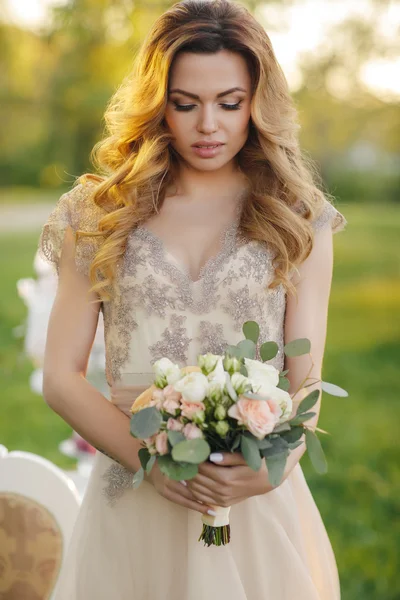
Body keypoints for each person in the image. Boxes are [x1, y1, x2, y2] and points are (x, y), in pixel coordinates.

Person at [38, 0, 347, 598]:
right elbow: (60, 377)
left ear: (259, 101)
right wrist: (149, 462)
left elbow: (306, 385)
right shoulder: (99, 214)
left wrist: (262, 472)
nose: (209, 124)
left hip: (252, 495)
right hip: (134, 491)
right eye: (185, 104)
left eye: (230, 103)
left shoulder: (299, 218)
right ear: (159, 104)